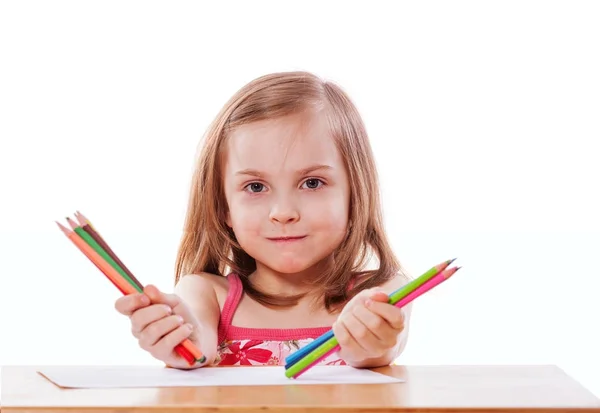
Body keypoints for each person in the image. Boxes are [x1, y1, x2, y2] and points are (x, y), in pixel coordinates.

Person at [115, 71, 412, 369]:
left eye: (312, 183)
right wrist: (181, 338)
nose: (283, 212)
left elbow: (380, 349)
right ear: (224, 207)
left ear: (355, 194)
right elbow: (198, 343)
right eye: (255, 187)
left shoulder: (381, 292)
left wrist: (372, 338)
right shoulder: (207, 294)